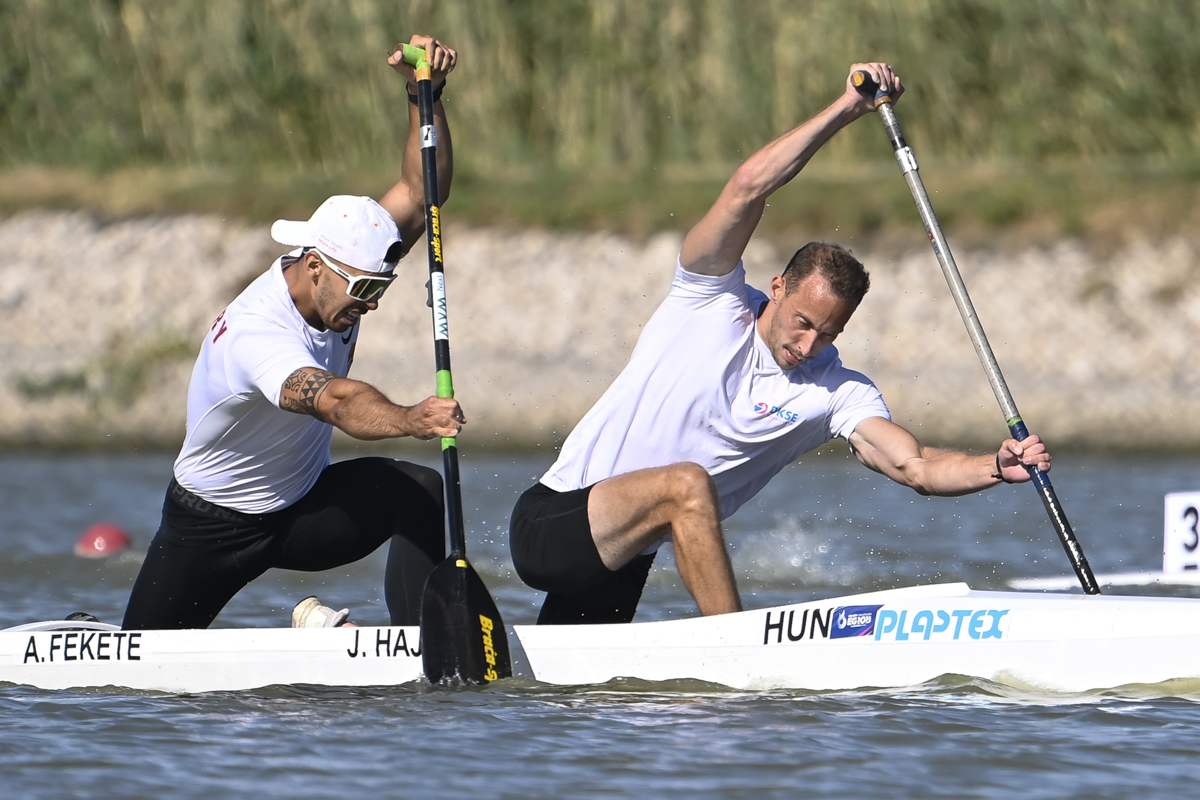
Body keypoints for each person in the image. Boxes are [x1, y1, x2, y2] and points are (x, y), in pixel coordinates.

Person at [509, 62, 1054, 625]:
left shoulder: (835, 393)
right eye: (802, 321)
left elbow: (915, 466)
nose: (809, 344)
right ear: (777, 288)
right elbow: (748, 186)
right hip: (552, 522)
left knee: (581, 679)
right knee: (687, 484)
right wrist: (847, 108)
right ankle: (734, 647)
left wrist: (993, 466)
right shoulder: (708, 299)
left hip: (626, 557)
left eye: (829, 333)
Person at [122, 35, 460, 630]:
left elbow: (420, 191)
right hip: (211, 524)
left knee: (419, 492)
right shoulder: (257, 331)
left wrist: (422, 95)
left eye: (380, 288)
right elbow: (334, 401)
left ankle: (421, 644)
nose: (371, 303)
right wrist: (408, 418)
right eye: (363, 289)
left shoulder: (347, 268)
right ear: (315, 266)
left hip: (303, 508)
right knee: (144, 660)